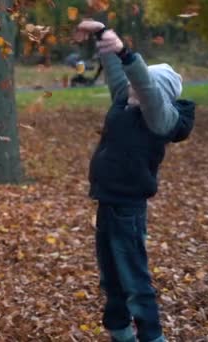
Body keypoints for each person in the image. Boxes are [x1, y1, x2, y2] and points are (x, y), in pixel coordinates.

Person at [77, 20, 195, 342]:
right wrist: (104, 37)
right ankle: (120, 332)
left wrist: (127, 53)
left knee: (135, 282)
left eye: (137, 86)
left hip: (128, 210)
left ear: (152, 95)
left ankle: (152, 337)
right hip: (108, 203)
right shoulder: (125, 102)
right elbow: (119, 73)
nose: (129, 88)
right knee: (111, 279)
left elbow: (143, 84)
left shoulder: (161, 120)